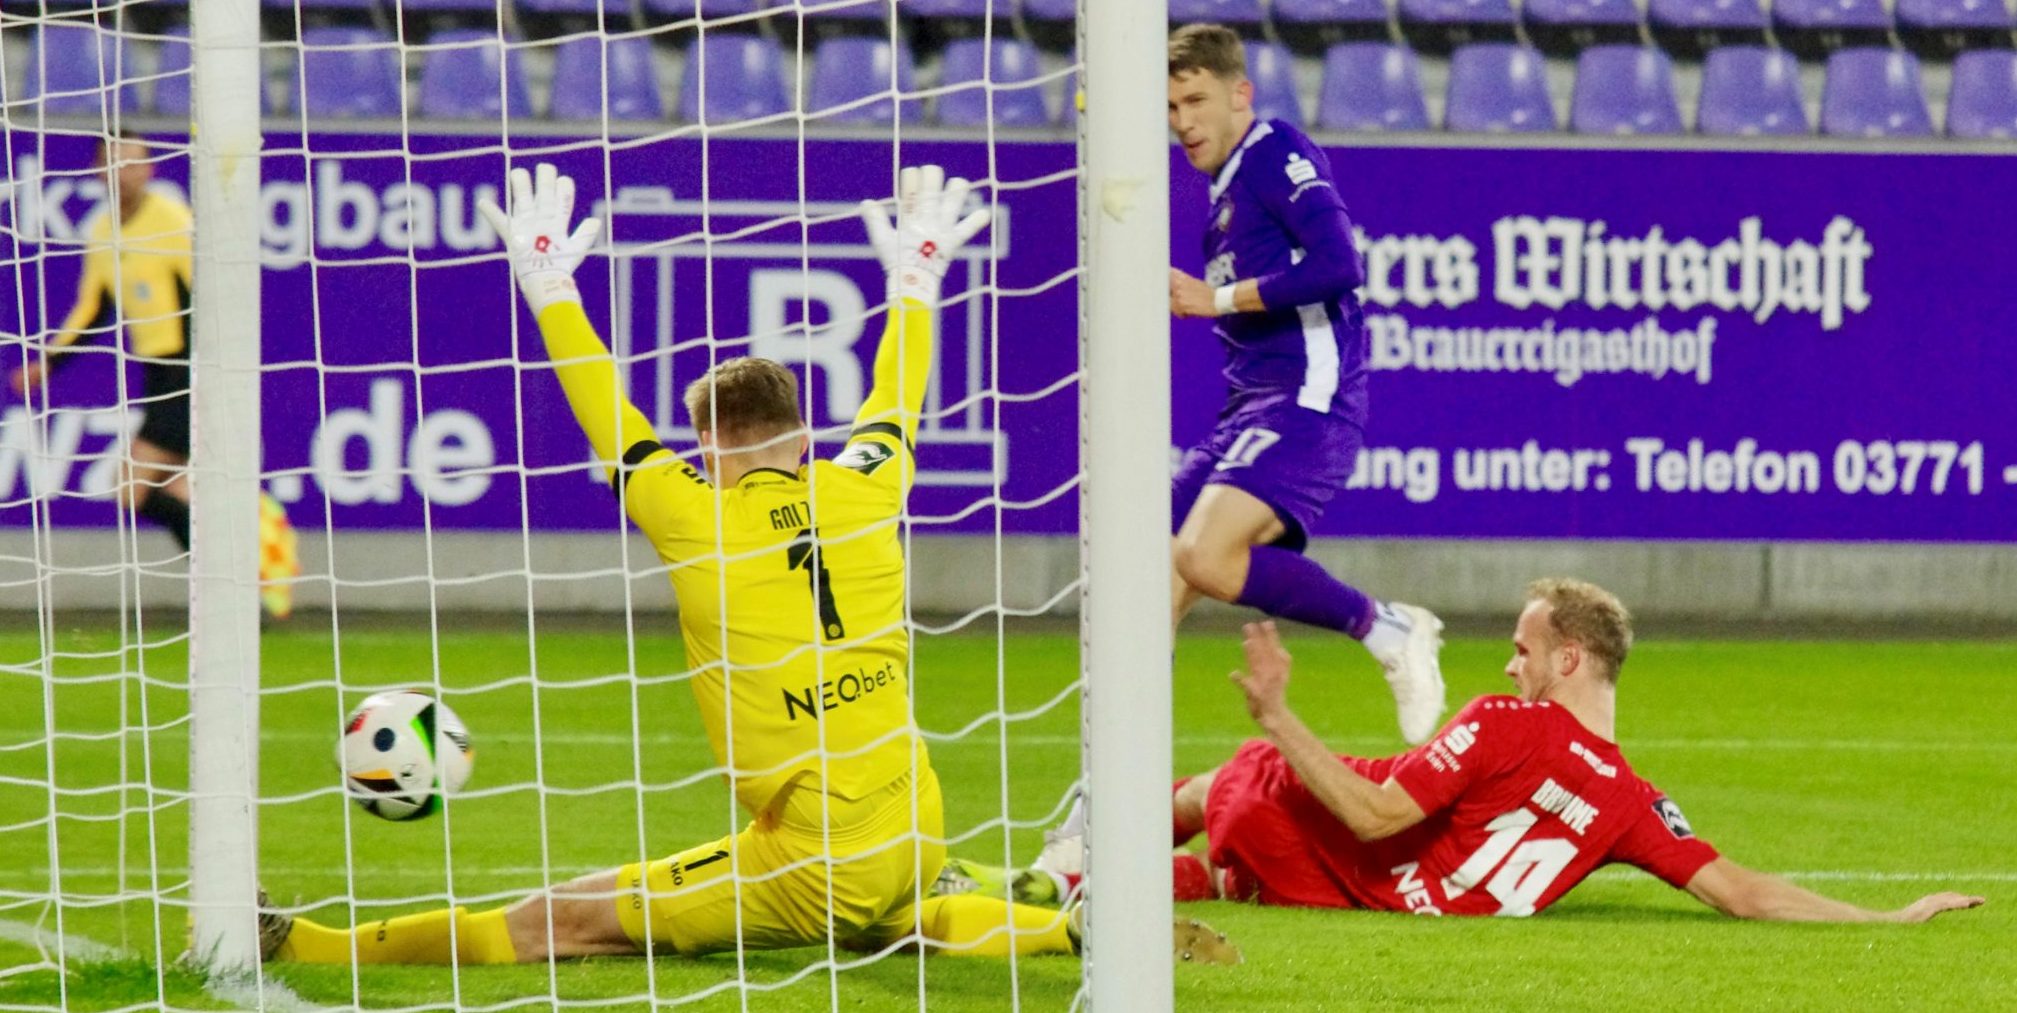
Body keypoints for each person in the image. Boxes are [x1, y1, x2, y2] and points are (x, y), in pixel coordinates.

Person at [260, 164, 1237, 967]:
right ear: (800, 436)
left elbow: (607, 413)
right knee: (894, 912)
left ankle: (303, 943)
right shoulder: (867, 484)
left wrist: (549, 283)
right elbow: (897, 398)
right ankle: (1074, 930)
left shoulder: (690, 511)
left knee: (572, 916)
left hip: (817, 848)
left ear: (715, 445)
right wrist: (919, 273)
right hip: (916, 810)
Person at [950, 579, 1987, 925]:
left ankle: (1052, 863)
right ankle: (1068, 879)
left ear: (1566, 655)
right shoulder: (1632, 800)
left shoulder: (1506, 719)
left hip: (1337, 845)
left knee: (1229, 781)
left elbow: (1371, 814)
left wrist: (1279, 718)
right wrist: (1888, 917)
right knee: (1221, 864)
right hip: (1342, 889)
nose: (1509, 658)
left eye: (1525, 645)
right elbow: (1746, 891)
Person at [1163, 25, 1443, 747]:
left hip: (1306, 402)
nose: (1183, 122)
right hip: (1244, 408)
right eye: (1170, 108)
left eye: (1195, 100)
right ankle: (1097, 805)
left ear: (1239, 94)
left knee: (1200, 556)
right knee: (1142, 591)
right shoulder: (1221, 194)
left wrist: (1214, 299)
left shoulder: (1272, 153)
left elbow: (1338, 266)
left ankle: (1387, 627)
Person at [7, 132, 297, 618]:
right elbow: (93, 309)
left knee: (134, 487)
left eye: (136, 162)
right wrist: (48, 363)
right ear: (99, 172)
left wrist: (216, 370)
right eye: (116, 162)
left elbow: (210, 298)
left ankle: (234, 589)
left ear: (151, 170)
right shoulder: (102, 232)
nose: (126, 171)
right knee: (170, 491)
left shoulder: (173, 224)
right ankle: (242, 577)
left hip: (189, 371)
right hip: (155, 374)